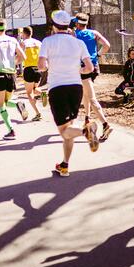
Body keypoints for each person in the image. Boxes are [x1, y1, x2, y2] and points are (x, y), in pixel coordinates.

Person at [38, 10, 100, 177]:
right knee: (69, 127)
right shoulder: (78, 43)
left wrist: (50, 66)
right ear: (68, 25)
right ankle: (65, 165)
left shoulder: (47, 41)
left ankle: (86, 132)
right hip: (76, 87)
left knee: (65, 131)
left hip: (58, 88)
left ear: (53, 26)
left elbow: (41, 66)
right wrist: (76, 69)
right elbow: (89, 68)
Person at [74, 12, 114, 142]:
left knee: (91, 98)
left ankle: (105, 124)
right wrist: (97, 55)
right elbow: (107, 45)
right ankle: (87, 118)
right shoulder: (94, 33)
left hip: (83, 67)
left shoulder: (75, 35)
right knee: (86, 94)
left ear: (77, 23)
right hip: (94, 66)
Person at [0, 18, 28, 140]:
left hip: (0, 74)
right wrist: (13, 63)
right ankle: (17, 104)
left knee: (1, 106)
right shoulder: (13, 40)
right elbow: (23, 56)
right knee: (5, 102)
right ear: (5, 28)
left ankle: (11, 130)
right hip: (11, 74)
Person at [20, 26, 43, 121]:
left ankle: (38, 113)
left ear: (24, 34)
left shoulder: (23, 43)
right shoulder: (38, 42)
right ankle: (43, 93)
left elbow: (20, 56)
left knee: (29, 93)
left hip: (28, 68)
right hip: (37, 69)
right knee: (34, 89)